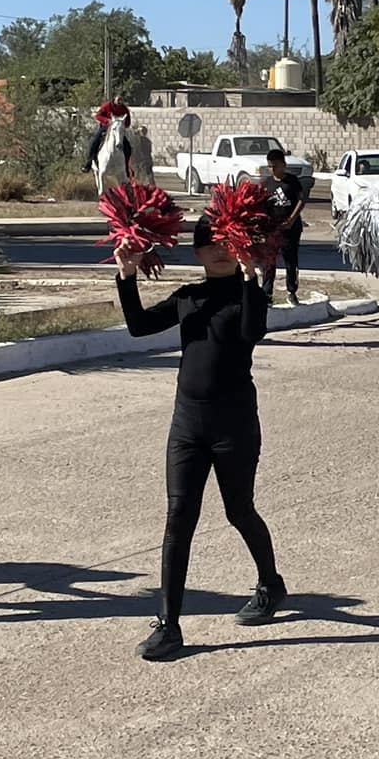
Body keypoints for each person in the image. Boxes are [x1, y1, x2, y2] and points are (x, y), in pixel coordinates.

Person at [116, 220, 286, 661]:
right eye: (209, 244)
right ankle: (168, 625)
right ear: (196, 253)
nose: (219, 251)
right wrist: (127, 275)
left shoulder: (250, 293)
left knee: (239, 510)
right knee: (179, 516)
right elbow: (137, 326)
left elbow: (252, 332)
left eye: (227, 243)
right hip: (187, 426)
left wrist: (251, 276)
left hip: (234, 425)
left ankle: (271, 583)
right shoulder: (187, 297)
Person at [258, 148, 309, 305]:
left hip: (291, 229)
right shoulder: (266, 184)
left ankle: (291, 292)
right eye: (270, 166)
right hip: (272, 230)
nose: (273, 169)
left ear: (283, 165)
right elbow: (261, 205)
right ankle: (267, 294)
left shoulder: (292, 181)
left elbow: (301, 200)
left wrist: (292, 220)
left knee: (290, 261)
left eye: (275, 165)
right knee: (269, 263)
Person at [83, 98, 132, 174]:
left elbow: (128, 122)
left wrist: (121, 124)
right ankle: (88, 163)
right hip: (105, 127)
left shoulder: (124, 109)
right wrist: (107, 121)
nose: (119, 103)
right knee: (93, 141)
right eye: (118, 101)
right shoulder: (107, 106)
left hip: (117, 130)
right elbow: (98, 116)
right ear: (114, 100)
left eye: (121, 101)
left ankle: (126, 167)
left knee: (128, 148)